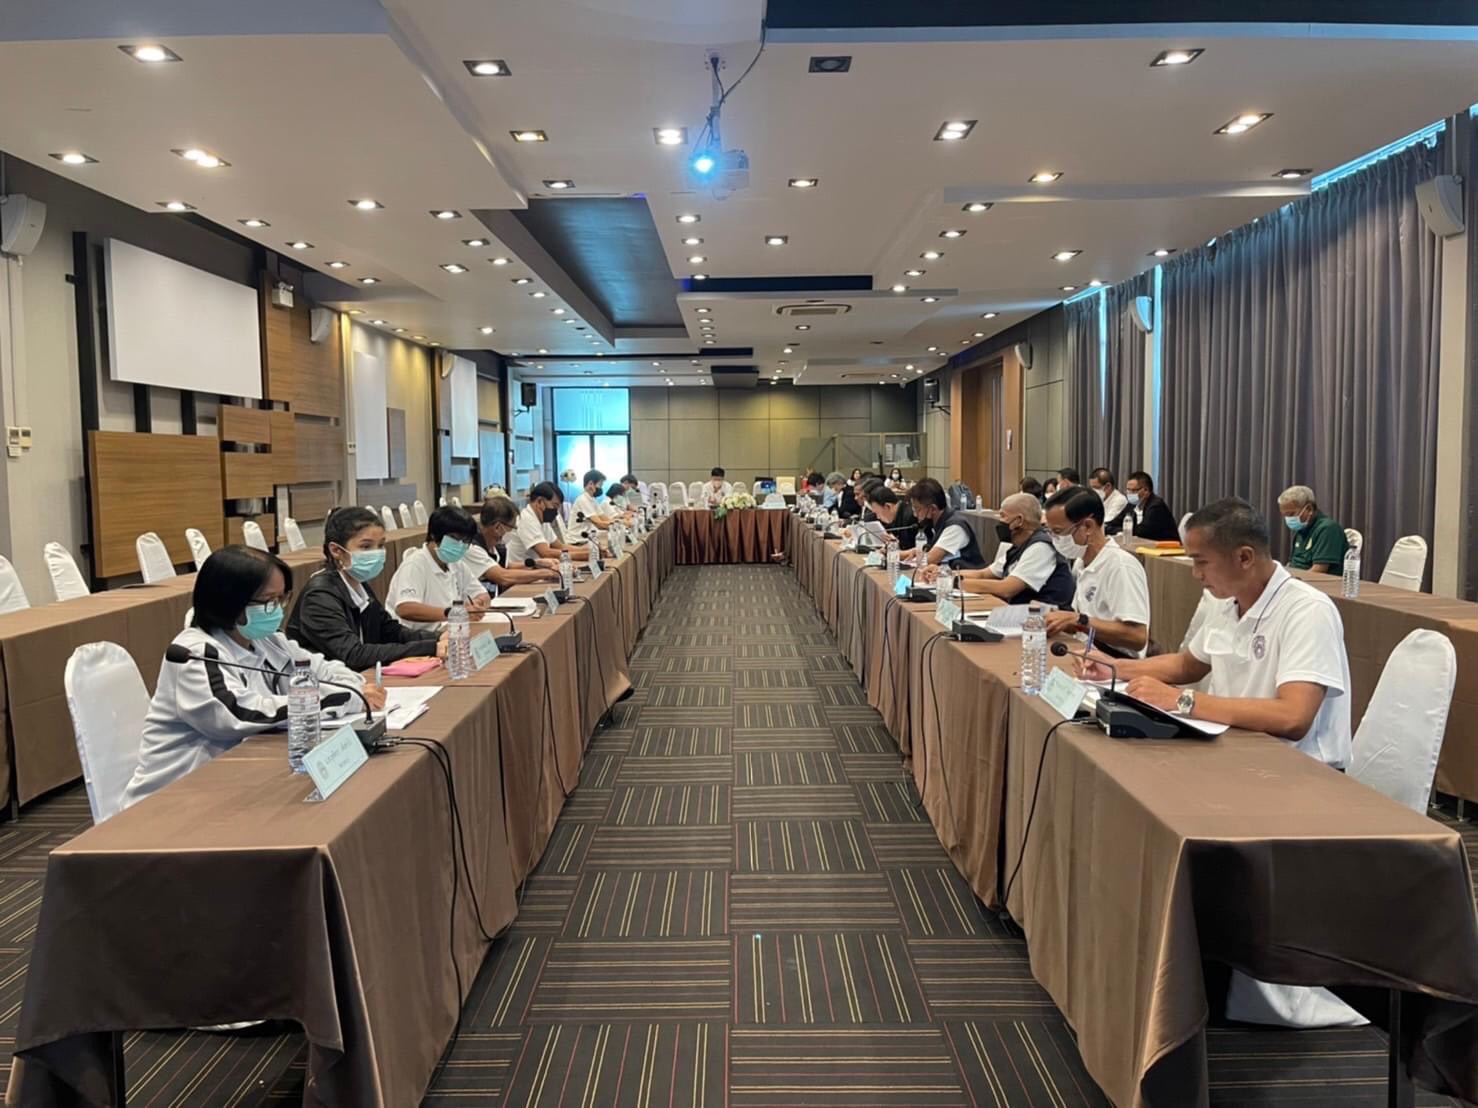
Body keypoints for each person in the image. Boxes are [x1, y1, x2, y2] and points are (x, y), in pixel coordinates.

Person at [1076, 497, 1351, 766]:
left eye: (1201, 562)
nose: (1196, 574)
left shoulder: (1307, 610)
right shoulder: (1228, 600)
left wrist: (1182, 700)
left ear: (1244, 557)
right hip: (1238, 750)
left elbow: (1293, 717)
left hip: (1298, 768)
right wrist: (1114, 668)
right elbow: (1187, 665)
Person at [122, 546, 382, 808]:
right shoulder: (195, 653)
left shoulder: (269, 640)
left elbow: (324, 670)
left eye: (282, 598)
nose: (278, 610)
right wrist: (344, 697)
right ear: (230, 601)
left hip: (231, 787)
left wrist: (353, 688)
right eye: (268, 601)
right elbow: (238, 714)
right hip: (172, 799)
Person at [287, 507, 446, 668]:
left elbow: (389, 631)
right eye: (366, 547)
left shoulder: (357, 583)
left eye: (381, 545)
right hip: (321, 681)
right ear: (336, 550)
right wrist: (430, 648)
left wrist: (438, 637)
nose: (377, 553)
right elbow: (353, 654)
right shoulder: (319, 596)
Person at [1040, 488, 1150, 655]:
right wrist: (1058, 619)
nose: (1055, 539)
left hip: (1115, 662)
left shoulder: (1121, 566)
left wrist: (1078, 620)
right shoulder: (1082, 562)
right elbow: (1085, 623)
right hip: (1084, 652)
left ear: (1087, 526)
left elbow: (1137, 637)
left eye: (1058, 532)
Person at [937, 492, 1075, 606]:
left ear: (1019, 521)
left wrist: (955, 583)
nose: (999, 520)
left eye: (1003, 515)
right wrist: (944, 574)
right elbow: (984, 574)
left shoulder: (1041, 548)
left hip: (1041, 622)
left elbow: (1007, 588)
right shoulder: (1018, 547)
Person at [386, 506, 492, 630]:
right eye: (454, 538)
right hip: (416, 636)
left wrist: (478, 604)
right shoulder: (415, 564)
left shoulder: (456, 564)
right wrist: (453, 614)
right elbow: (405, 608)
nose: (460, 545)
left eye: (465, 541)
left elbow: (483, 594)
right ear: (434, 535)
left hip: (448, 630)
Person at [463, 496, 561, 591]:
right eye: (512, 528)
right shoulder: (472, 548)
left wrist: (537, 564)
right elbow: (503, 577)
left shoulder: (493, 546)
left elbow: (506, 566)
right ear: (497, 527)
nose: (513, 532)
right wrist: (548, 573)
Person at [903, 477, 989, 569]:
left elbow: (931, 558)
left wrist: (911, 558)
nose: (915, 515)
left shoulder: (955, 526)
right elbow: (922, 551)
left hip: (966, 576)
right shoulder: (935, 524)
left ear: (933, 508)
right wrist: (896, 554)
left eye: (917, 509)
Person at [506, 481, 590, 564]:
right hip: (522, 569)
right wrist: (584, 555)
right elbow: (545, 553)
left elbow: (560, 546)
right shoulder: (526, 519)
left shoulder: (542, 520)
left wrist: (587, 550)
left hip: (538, 567)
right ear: (540, 502)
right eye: (554, 506)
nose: (556, 512)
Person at [1277, 485, 1349, 573]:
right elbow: (1293, 563)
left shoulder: (1328, 529)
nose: (1288, 519)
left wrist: (1295, 580)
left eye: (1291, 514)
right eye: (1285, 515)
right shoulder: (1302, 529)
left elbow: (1318, 571)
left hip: (1315, 580)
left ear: (1309, 509)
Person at [1124, 471, 1179, 541]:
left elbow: (1142, 532)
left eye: (1134, 490)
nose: (1130, 494)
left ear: (1146, 491)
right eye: (1128, 490)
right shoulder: (1131, 505)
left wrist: (1124, 529)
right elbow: (1114, 523)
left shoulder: (1156, 506)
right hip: (1146, 543)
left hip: (1166, 546)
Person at [859, 484, 917, 549]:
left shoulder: (910, 517)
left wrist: (897, 547)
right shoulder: (895, 517)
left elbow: (914, 548)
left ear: (887, 506)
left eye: (877, 513)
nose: (878, 517)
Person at [1089, 467, 1130, 533]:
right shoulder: (1097, 498)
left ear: (1108, 486)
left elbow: (1106, 523)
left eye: (1096, 487)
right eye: (1092, 488)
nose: (1093, 491)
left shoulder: (1119, 500)